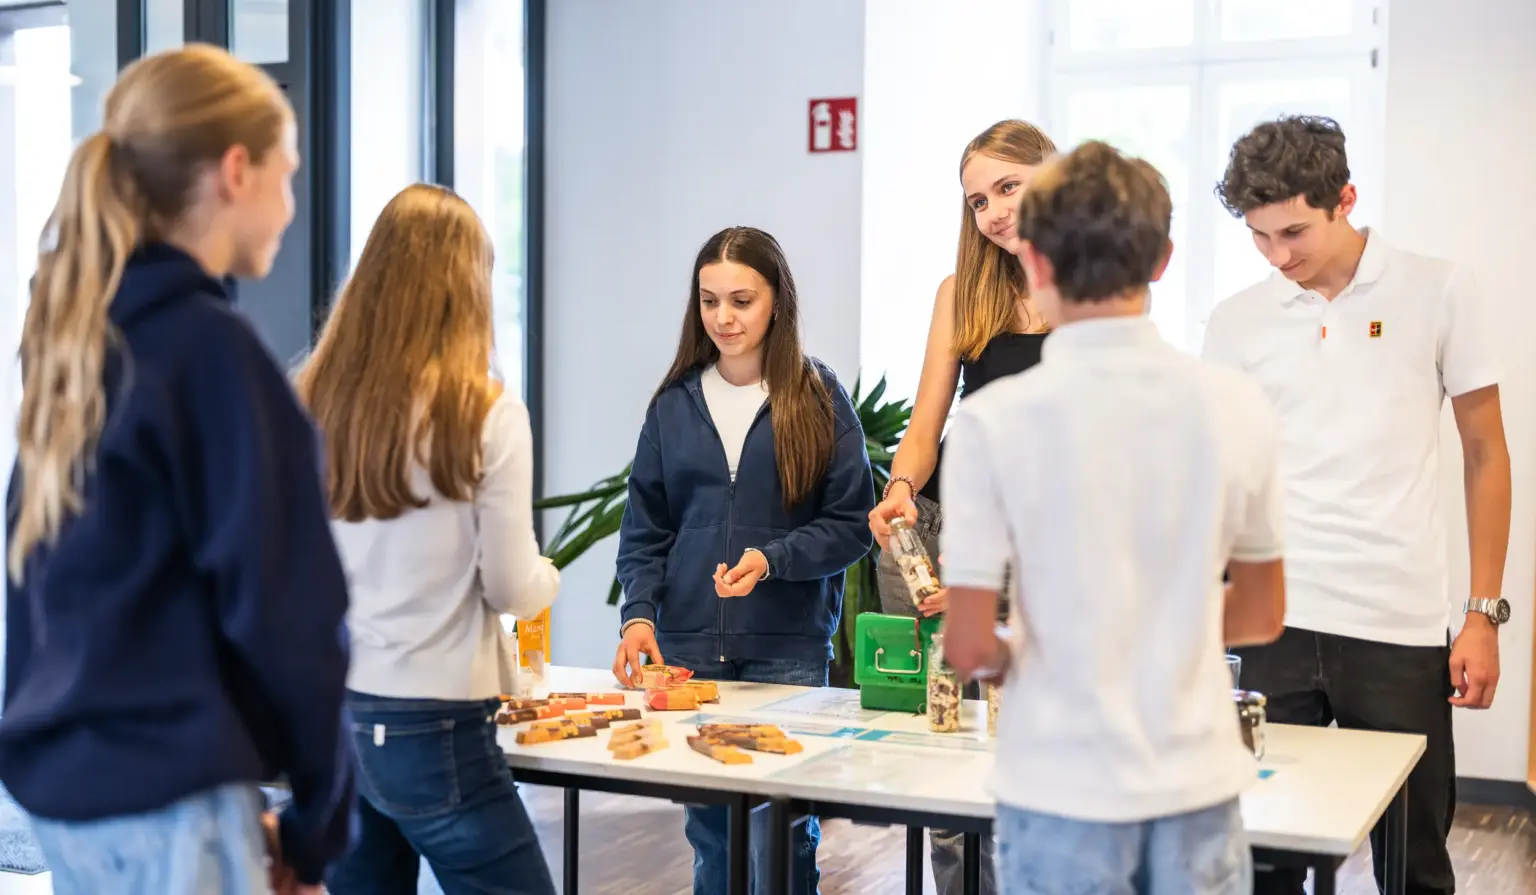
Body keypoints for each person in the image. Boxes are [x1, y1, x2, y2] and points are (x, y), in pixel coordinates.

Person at [0, 44, 353, 894]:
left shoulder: (85, 345)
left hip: (70, 799)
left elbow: (33, 595)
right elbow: (289, 612)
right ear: (236, 170)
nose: (290, 201)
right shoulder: (212, 353)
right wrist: (319, 821)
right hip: (172, 801)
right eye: (288, 171)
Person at [939, 139, 1287, 894]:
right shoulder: (1237, 405)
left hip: (1056, 784)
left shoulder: (990, 423)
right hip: (1196, 784)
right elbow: (1261, 611)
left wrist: (1038, 644)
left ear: (1031, 260)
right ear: (1162, 259)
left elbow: (967, 644)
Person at [1203, 115, 1513, 895]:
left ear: (1346, 198)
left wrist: (1482, 612)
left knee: (1413, 863)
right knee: (1262, 859)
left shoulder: (1440, 289)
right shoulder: (1236, 321)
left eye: (1294, 233)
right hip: (1269, 619)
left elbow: (1486, 454)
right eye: (1260, 237)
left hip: (1395, 627)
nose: (1278, 256)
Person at [296, 183, 560, 895]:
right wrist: (550, 576)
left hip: (338, 714)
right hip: (436, 721)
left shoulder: (316, 398)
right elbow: (510, 584)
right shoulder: (487, 411)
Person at [612, 226, 875, 895]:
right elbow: (645, 527)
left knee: (780, 833)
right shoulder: (673, 406)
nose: (723, 317)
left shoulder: (819, 397)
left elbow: (851, 526)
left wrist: (773, 557)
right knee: (711, 835)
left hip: (787, 647)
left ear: (776, 302)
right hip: (689, 649)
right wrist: (637, 616)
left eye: (741, 300)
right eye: (709, 300)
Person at [865, 118, 1056, 895]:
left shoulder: (1098, 289)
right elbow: (924, 429)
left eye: (1007, 187)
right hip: (948, 535)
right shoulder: (963, 290)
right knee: (946, 767)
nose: (993, 212)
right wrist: (901, 488)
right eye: (978, 200)